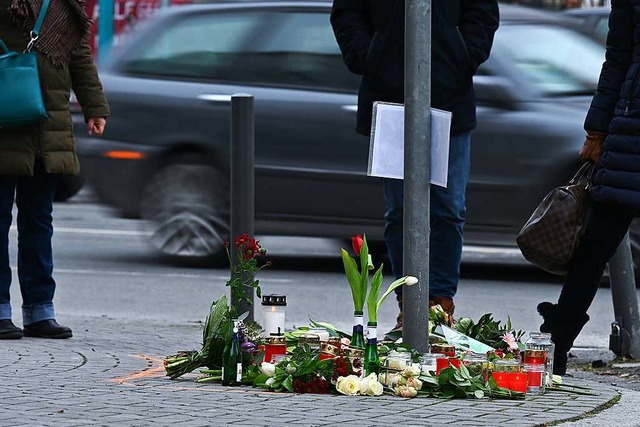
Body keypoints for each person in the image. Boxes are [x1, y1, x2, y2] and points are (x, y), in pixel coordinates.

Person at [330, 0, 499, 331]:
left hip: (450, 97)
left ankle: (440, 304)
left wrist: (464, 55)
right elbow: (347, 12)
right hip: (391, 97)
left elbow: (483, 13)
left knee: (449, 207)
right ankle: (410, 304)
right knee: (400, 210)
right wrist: (368, 55)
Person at [537, 0, 637, 375]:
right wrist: (596, 132)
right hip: (631, 130)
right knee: (595, 244)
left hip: (628, 127)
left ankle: (559, 342)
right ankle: (559, 346)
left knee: (596, 246)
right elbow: (617, 59)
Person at [0, 0, 109, 339]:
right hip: (5, 122)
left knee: (39, 221)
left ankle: (39, 311)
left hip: (50, 128)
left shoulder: (64, 6)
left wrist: (95, 107)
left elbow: (78, 57)